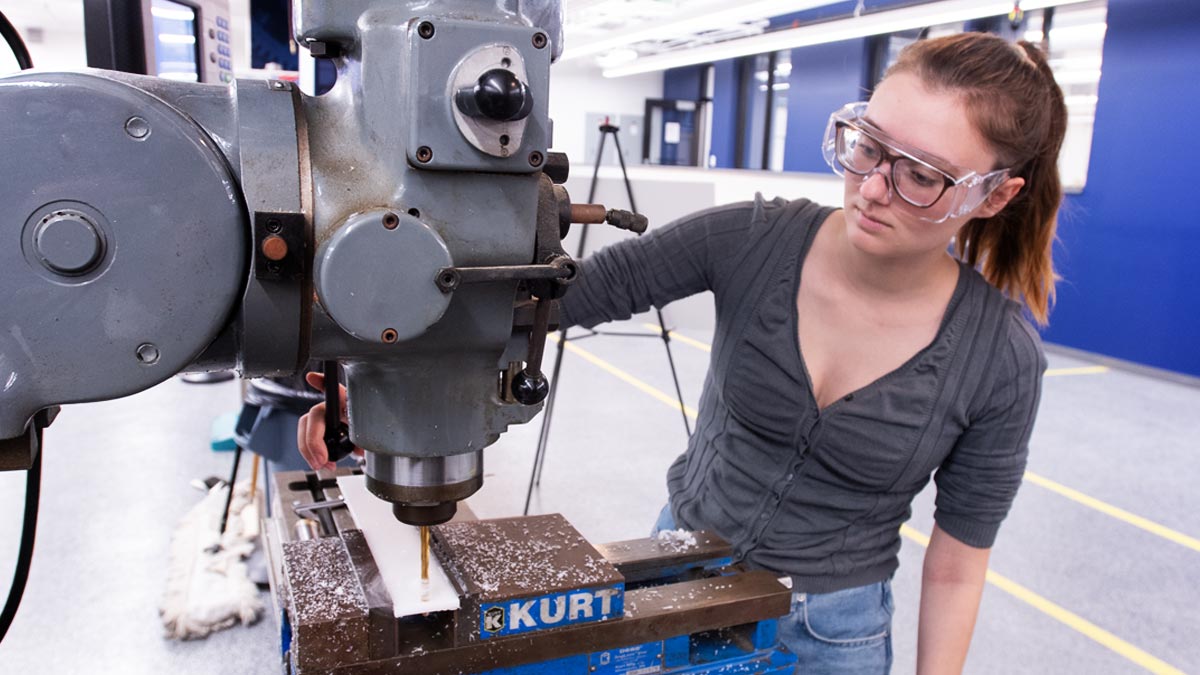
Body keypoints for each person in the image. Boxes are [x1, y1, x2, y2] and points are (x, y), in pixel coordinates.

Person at [298, 32, 1066, 674]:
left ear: (993, 195)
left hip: (834, 635)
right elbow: (555, 300)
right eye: (868, 146)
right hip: (680, 575)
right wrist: (370, 375)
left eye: (921, 175)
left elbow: (959, 564)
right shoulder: (752, 239)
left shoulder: (999, 360)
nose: (871, 187)